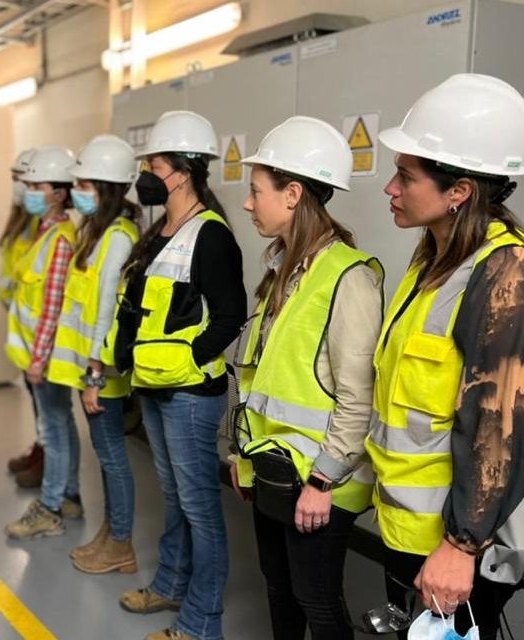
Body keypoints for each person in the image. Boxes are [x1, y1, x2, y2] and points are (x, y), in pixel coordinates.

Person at [368, 73, 524, 639]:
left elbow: (498, 427)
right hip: (409, 523)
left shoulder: (509, 277)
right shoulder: (437, 260)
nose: (390, 188)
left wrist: (461, 546)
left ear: (460, 192)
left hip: (455, 537)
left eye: (405, 176)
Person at [229, 116, 383, 640]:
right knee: (279, 589)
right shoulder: (283, 270)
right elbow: (260, 375)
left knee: (316, 600)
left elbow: (357, 397)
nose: (248, 204)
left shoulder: (349, 276)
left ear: (292, 194)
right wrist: (241, 455)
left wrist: (323, 480)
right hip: (273, 469)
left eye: (256, 191)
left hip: (319, 483)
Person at [113, 111, 247, 640]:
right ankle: (170, 584)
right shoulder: (161, 231)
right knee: (176, 499)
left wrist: (191, 361)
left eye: (154, 162)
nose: (146, 171)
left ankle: (200, 623)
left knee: (199, 508)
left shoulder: (210, 236)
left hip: (190, 393)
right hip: (153, 386)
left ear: (183, 171)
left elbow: (230, 315)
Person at [45, 134, 141, 573]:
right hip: (92, 371)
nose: (78, 193)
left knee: (113, 459)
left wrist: (95, 376)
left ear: (106, 189)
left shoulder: (119, 238)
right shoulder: (99, 233)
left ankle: (121, 543)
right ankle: (110, 533)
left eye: (84, 186)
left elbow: (107, 312)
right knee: (106, 458)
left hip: (102, 375)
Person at [4, 144, 83, 539]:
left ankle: (50, 507)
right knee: (60, 424)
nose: (29, 191)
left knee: (52, 429)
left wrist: (38, 360)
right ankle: (69, 495)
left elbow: (52, 308)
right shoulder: (47, 232)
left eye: (37, 185)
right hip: (43, 354)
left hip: (48, 357)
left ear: (59, 193)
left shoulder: (61, 239)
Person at [1, 148, 46, 488]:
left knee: (46, 405)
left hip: (35, 326)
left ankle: (45, 459)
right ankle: (39, 450)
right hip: (20, 320)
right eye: (16, 179)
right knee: (36, 402)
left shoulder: (40, 222)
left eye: (24, 179)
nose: (19, 186)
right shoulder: (20, 218)